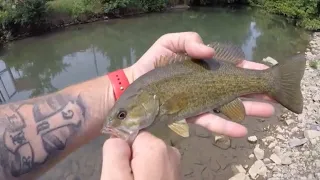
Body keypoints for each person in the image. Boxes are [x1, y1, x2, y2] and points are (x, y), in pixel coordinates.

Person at [0, 32, 273, 180]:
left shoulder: (152, 92)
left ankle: (273, 81)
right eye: (120, 115)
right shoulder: (146, 92)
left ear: (149, 101)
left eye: (121, 115)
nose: (116, 123)